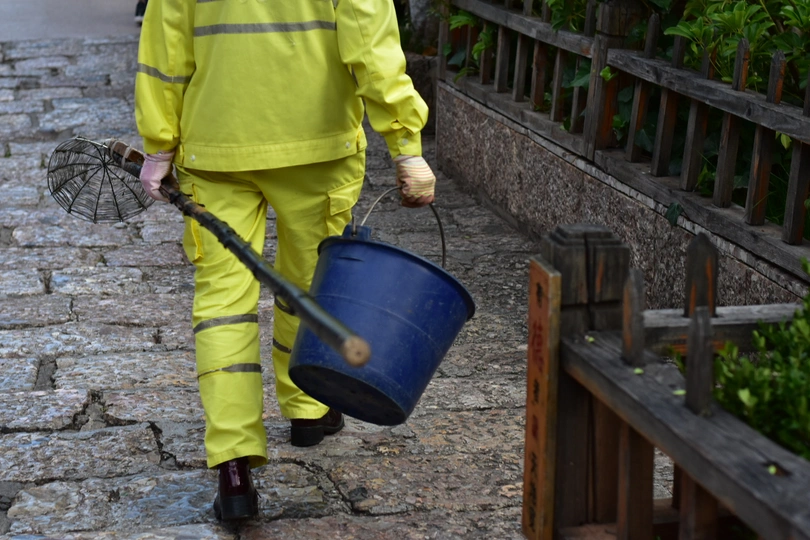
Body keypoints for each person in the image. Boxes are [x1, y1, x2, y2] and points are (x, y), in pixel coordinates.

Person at [134, 0, 435, 522]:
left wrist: (159, 146)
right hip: (319, 146)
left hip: (216, 145)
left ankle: (233, 466)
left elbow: (166, 45)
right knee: (312, 284)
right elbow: (371, 43)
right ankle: (308, 409)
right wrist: (405, 144)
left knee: (223, 304)